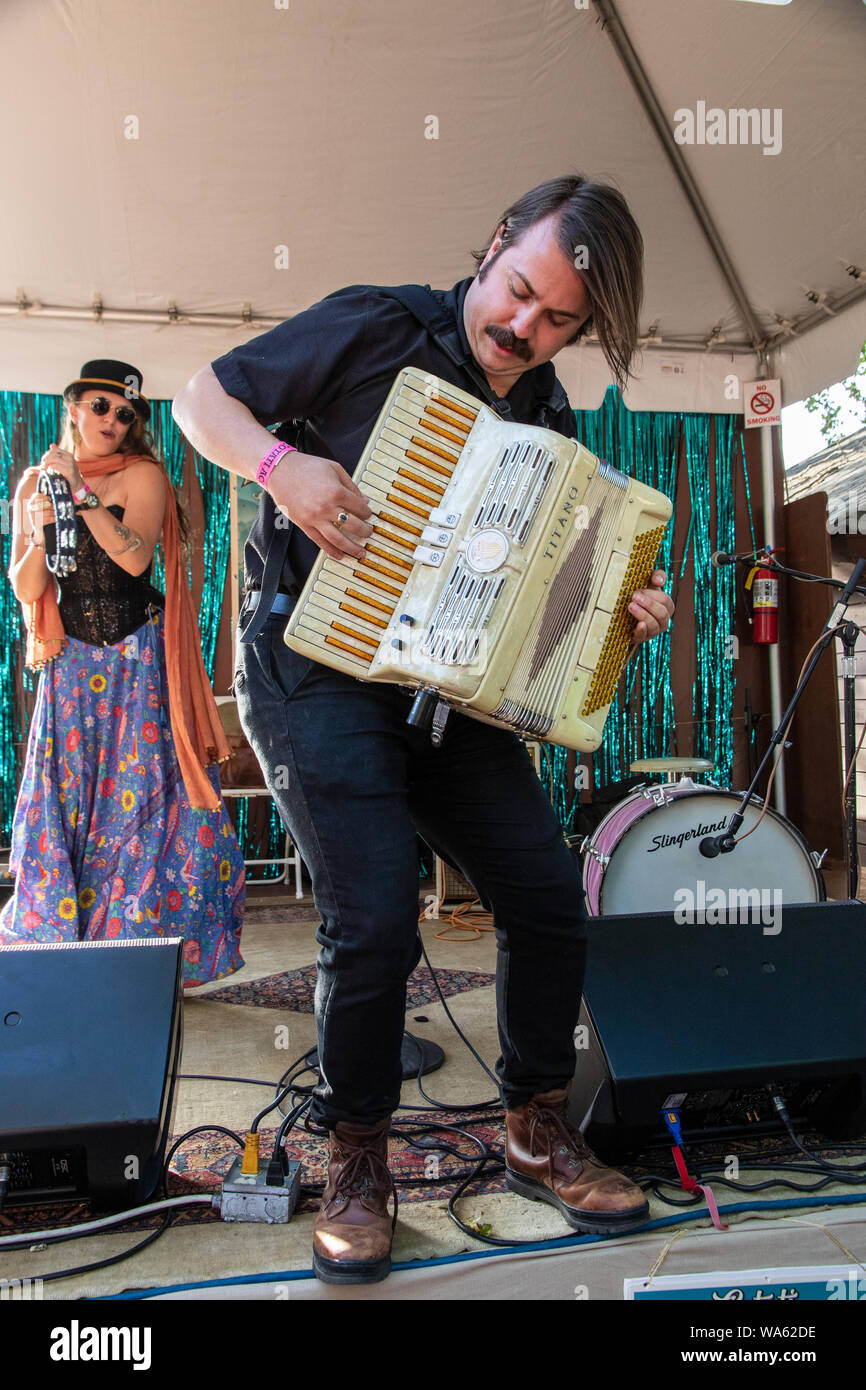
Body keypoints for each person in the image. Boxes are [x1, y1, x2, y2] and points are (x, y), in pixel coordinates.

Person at [173, 175, 675, 1282]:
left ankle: (533, 1125)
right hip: (314, 671)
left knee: (546, 897)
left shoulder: (545, 413)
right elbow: (200, 399)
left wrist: (618, 610)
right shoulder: (374, 325)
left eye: (556, 323)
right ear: (492, 245)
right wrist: (280, 465)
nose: (520, 329)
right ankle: (356, 1155)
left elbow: (535, 607)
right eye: (515, 293)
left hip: (448, 695)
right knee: (374, 921)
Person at [0, 359, 245, 987]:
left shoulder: (142, 475)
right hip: (70, 666)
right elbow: (27, 585)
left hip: (136, 660)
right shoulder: (35, 483)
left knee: (140, 803)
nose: (114, 420)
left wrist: (80, 497)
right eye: (103, 406)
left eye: (127, 413)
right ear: (75, 406)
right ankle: (64, 951)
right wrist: (42, 523)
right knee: (72, 801)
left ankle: (139, 958)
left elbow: (134, 562)